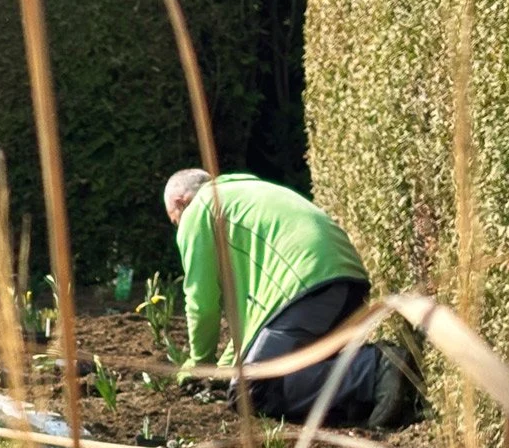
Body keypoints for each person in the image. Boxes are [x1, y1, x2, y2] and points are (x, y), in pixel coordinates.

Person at [163, 168, 416, 428]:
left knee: (253, 392)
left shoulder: (200, 209)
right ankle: (365, 396)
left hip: (307, 284)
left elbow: (200, 303)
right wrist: (225, 369)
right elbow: (250, 326)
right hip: (345, 282)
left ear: (181, 202)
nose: (179, 229)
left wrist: (200, 363)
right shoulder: (245, 198)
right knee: (289, 371)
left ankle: (371, 368)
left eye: (175, 221)